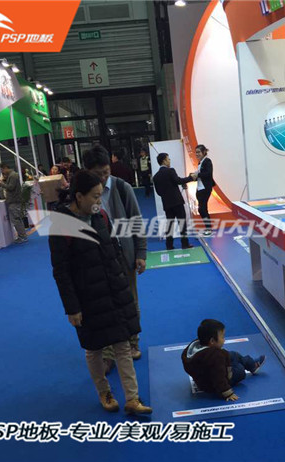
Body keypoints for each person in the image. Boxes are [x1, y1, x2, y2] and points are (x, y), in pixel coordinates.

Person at [48, 170, 152, 415]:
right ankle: (104, 393)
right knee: (94, 349)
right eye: (94, 196)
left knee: (123, 345)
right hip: (87, 299)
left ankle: (132, 399)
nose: (98, 201)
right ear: (78, 196)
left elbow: (114, 250)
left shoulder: (101, 216)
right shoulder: (61, 226)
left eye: (99, 196)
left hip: (113, 291)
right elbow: (61, 272)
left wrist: (122, 284)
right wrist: (72, 308)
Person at [83, 145, 147, 366]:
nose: (103, 177)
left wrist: (141, 253)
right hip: (98, 258)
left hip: (123, 254)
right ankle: (109, 353)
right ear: (87, 171)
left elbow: (136, 221)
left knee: (129, 301)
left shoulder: (122, 187)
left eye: (106, 171)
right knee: (104, 305)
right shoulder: (84, 193)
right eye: (97, 173)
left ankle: (133, 342)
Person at [181, 319, 265, 401]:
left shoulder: (195, 347)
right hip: (211, 384)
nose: (224, 339)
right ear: (212, 341)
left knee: (233, 354)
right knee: (240, 370)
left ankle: (252, 365)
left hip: (203, 376)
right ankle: (251, 365)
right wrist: (227, 393)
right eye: (222, 337)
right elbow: (219, 378)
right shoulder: (215, 357)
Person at [152, 152, 195, 250]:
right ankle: (184, 244)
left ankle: (169, 245)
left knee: (169, 224)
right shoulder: (170, 171)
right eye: (168, 159)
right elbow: (178, 180)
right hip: (177, 202)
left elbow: (159, 192)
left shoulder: (156, 177)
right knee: (182, 223)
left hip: (167, 204)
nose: (169, 161)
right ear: (164, 161)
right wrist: (191, 178)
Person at [0, 164, 27, 244]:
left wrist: (1, 183)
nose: (2, 172)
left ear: (5, 168)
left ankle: (22, 236)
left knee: (16, 220)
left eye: (2, 170)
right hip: (14, 200)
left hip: (14, 200)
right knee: (17, 219)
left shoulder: (13, 175)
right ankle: (22, 236)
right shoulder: (12, 175)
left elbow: (10, 187)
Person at [194, 144, 215, 236]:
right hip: (199, 188)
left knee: (202, 209)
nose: (197, 154)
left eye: (198, 152)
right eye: (196, 152)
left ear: (204, 152)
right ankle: (207, 228)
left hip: (205, 188)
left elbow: (208, 174)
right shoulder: (200, 162)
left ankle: (209, 229)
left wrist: (197, 175)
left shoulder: (207, 161)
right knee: (201, 209)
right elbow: (200, 175)